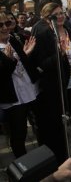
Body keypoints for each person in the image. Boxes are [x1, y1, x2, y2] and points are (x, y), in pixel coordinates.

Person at [31, 2, 71, 164]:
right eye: (54, 15)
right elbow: (41, 65)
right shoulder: (43, 37)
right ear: (46, 19)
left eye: (61, 13)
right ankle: (62, 159)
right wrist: (58, 53)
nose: (59, 16)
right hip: (57, 89)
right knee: (59, 126)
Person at [0, 12, 39, 158]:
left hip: (29, 90)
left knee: (39, 125)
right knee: (19, 135)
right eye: (0, 25)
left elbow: (22, 61)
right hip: (13, 98)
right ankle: (23, 165)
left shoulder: (13, 39)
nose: (5, 27)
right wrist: (9, 62)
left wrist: (26, 54)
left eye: (7, 23)